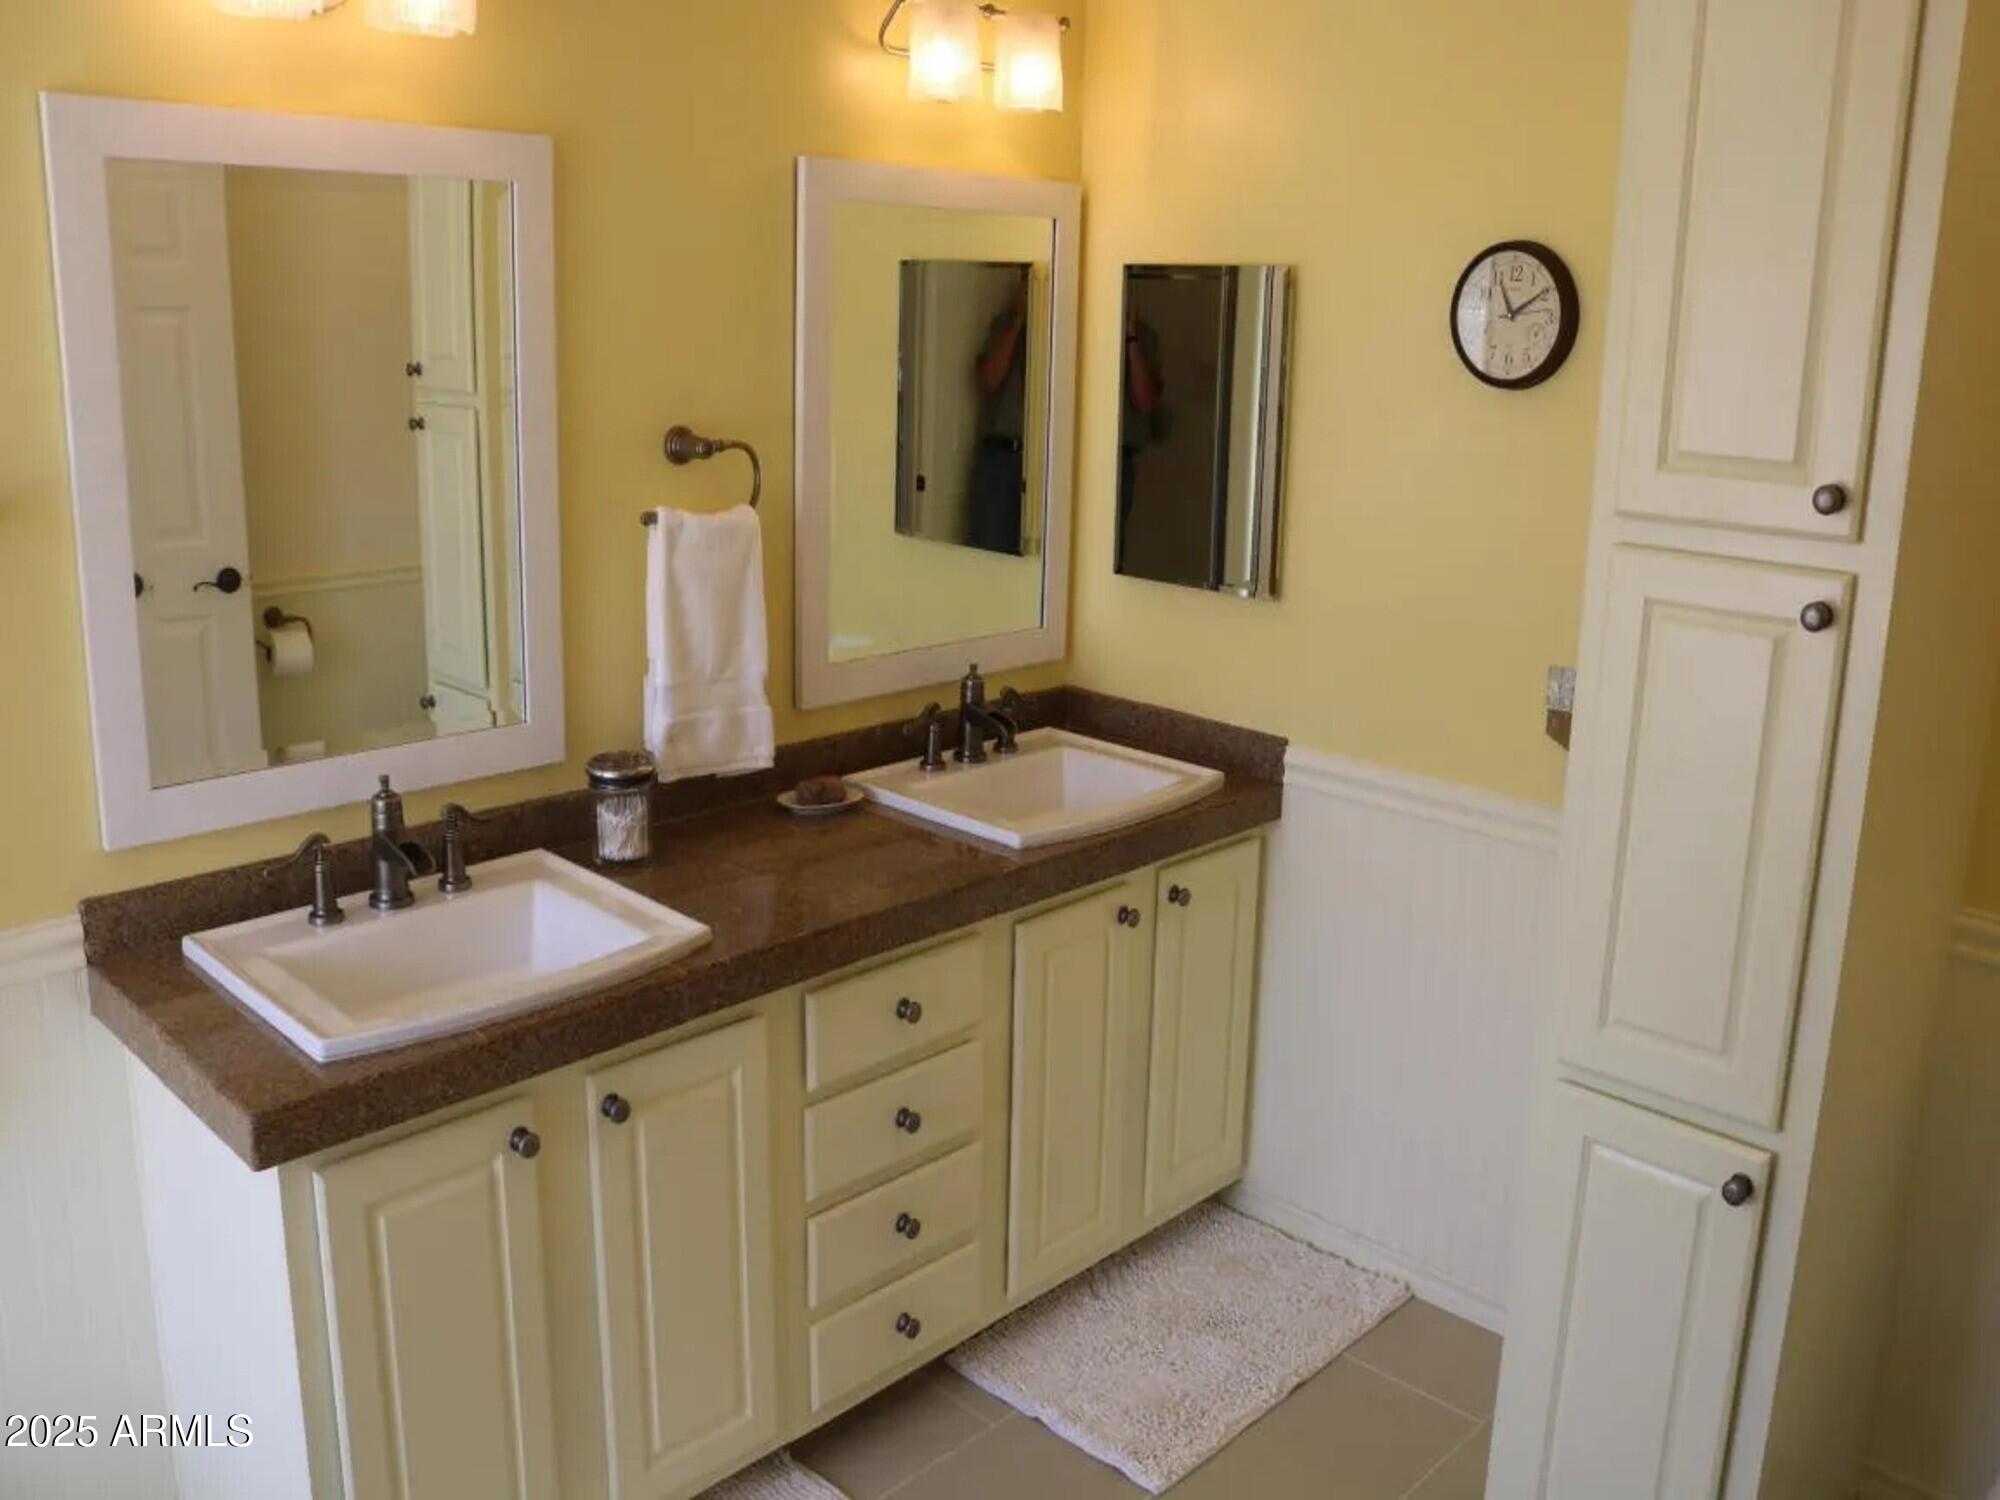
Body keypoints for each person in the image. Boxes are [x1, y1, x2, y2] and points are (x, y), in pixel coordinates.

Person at [969, 271, 1032, 555]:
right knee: (989, 551)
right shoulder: (1003, 327)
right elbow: (989, 379)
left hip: (1041, 462)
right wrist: (1019, 319)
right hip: (1000, 457)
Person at [1116, 299, 1166, 572]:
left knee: (1111, 550)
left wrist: (1131, 339)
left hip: (1120, 460)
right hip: (1074, 454)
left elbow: (1145, 401)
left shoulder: (1147, 338)